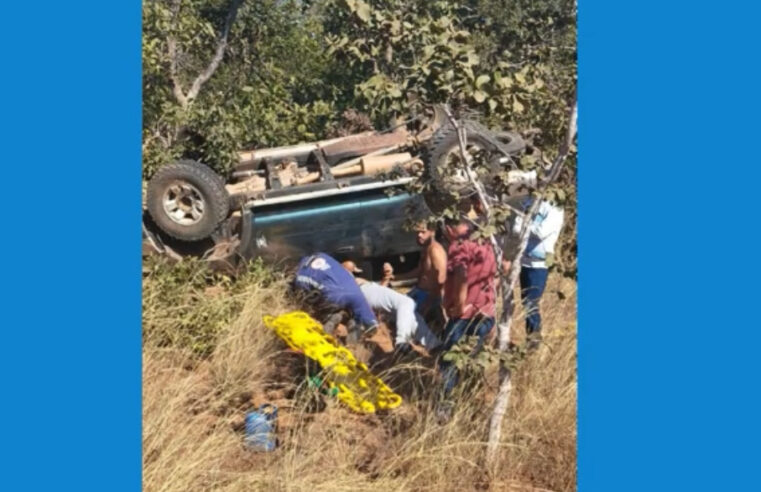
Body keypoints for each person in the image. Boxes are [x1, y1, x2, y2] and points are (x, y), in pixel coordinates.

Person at [438, 216, 497, 399]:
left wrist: (460, 305)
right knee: (474, 358)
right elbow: (501, 270)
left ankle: (446, 404)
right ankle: (472, 398)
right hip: (485, 312)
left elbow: (461, 276)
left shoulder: (458, 245)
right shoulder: (486, 240)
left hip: (464, 316)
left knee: (449, 359)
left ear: (449, 229)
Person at [502, 196, 564, 349]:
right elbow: (515, 227)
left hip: (539, 264)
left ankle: (534, 342)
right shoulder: (528, 201)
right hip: (522, 260)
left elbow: (542, 232)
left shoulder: (555, 208)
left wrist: (524, 225)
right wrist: (525, 226)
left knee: (531, 303)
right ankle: (505, 339)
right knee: (518, 299)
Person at [342, 261, 441, 354]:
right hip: (363, 289)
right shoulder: (349, 279)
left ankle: (434, 345)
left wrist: (387, 277)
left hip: (372, 291)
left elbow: (381, 289)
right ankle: (401, 341)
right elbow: (345, 266)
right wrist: (352, 268)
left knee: (412, 315)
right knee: (406, 302)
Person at [292, 252, 378, 339]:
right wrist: (371, 325)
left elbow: (304, 297)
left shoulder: (301, 274)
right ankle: (351, 325)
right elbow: (372, 327)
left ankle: (329, 319)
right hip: (354, 291)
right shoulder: (326, 257)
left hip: (332, 295)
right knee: (359, 312)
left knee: (321, 308)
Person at [380, 221, 447, 321]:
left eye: (423, 232)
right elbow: (420, 271)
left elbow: (441, 279)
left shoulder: (436, 251)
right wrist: (395, 277)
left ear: (432, 232)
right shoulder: (426, 249)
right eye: (417, 233)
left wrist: (428, 303)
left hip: (429, 296)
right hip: (418, 291)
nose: (419, 235)